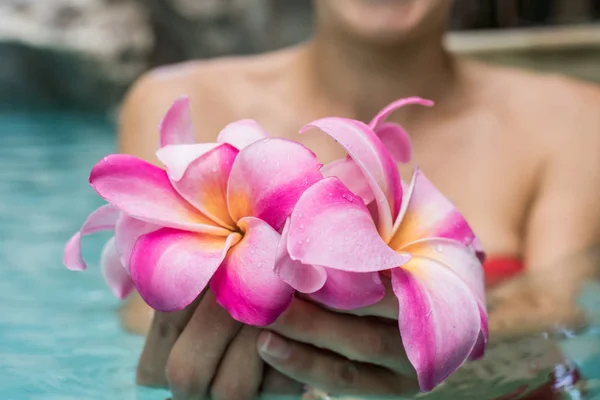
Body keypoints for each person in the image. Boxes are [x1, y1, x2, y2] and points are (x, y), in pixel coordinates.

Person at [117, 0, 600, 398]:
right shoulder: (177, 98)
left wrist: (440, 350)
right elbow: (146, 323)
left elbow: (561, 311)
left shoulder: (573, 118)